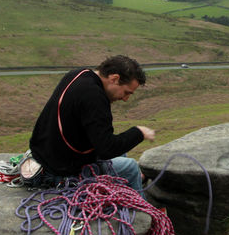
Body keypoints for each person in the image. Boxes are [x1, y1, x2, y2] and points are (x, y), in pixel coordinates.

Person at [23, 55, 156, 194]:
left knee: (122, 152)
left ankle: (127, 184)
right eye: (126, 92)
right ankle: (142, 212)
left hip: (46, 155)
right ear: (115, 79)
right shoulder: (95, 97)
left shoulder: (78, 74)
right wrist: (139, 132)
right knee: (131, 167)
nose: (125, 99)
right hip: (60, 172)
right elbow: (107, 149)